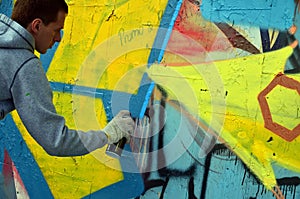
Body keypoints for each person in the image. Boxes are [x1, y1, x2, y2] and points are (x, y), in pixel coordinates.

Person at [0, 0, 135, 156]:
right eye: (56, 30)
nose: (59, 38)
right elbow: (56, 141)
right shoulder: (23, 64)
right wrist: (109, 134)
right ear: (37, 26)